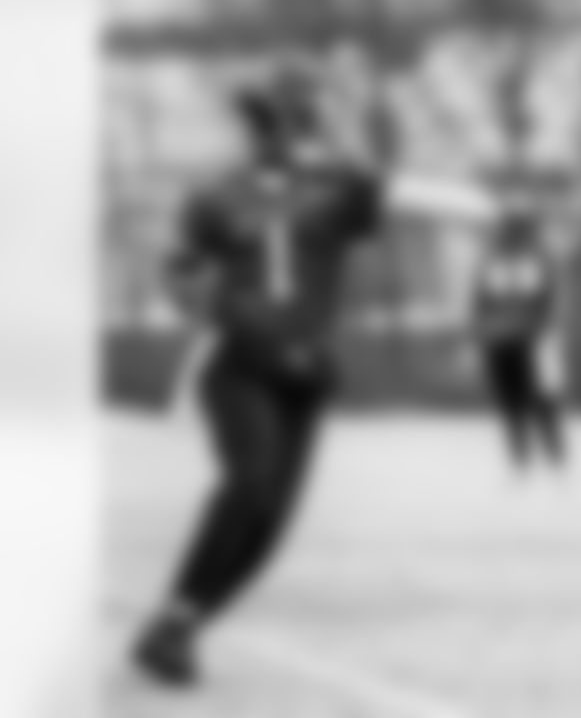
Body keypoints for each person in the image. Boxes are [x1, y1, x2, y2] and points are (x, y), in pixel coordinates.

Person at [132, 62, 391, 688]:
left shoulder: (336, 190)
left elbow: (370, 191)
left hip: (305, 372)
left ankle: (181, 624)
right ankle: (175, 615)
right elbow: (178, 276)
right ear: (258, 126)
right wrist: (236, 317)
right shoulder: (218, 194)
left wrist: (345, 119)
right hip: (242, 366)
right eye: (283, 119)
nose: (293, 132)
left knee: (274, 519)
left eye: (302, 120)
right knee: (248, 484)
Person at [472, 195, 569, 481]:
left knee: (544, 401)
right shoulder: (491, 257)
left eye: (519, 224)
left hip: (534, 339)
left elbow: (552, 298)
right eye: (510, 224)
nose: (514, 229)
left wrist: (548, 330)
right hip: (501, 340)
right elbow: (479, 300)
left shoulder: (540, 256)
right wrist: (480, 331)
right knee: (510, 402)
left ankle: (555, 458)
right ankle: (519, 460)